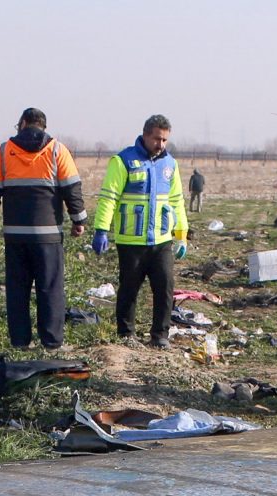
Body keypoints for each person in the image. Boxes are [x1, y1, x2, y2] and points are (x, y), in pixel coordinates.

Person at [0, 107, 87, 349]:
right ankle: (51, 342)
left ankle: (20, 342)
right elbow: (72, 187)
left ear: (22, 123)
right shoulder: (57, 150)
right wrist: (78, 220)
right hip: (48, 235)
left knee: (17, 290)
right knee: (50, 289)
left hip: (15, 235)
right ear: (43, 126)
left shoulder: (4, 151)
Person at [90, 114, 189, 347]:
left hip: (161, 240)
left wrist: (181, 235)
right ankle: (126, 335)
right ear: (145, 135)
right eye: (157, 139)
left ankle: (160, 336)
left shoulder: (170, 165)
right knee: (129, 290)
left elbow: (177, 201)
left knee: (165, 288)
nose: (161, 144)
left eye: (165, 140)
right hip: (131, 241)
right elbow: (108, 198)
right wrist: (101, 229)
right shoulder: (123, 161)